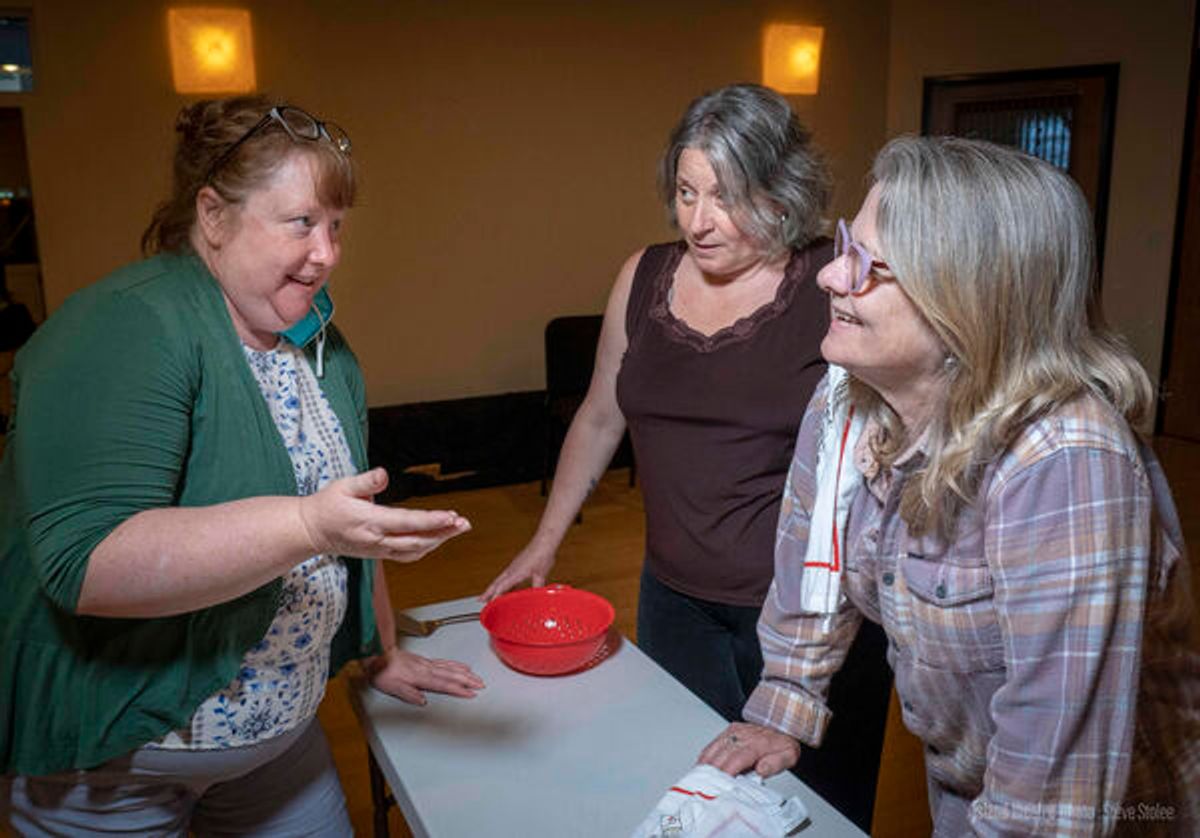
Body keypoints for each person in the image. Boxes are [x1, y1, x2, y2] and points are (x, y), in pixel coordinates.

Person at [0, 96, 485, 836]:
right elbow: (87, 563)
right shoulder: (126, 325)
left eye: (336, 226)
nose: (327, 253)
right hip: (122, 764)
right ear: (213, 217)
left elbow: (351, 523)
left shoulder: (320, 347)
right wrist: (307, 526)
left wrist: (380, 651)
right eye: (301, 223)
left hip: (278, 745)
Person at [699, 135, 1200, 835]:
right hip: (967, 787)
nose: (830, 276)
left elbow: (1051, 801)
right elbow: (814, 577)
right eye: (846, 245)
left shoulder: (1065, 461)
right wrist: (785, 702)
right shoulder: (847, 397)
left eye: (870, 265)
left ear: (971, 301)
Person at [483, 83, 893, 830]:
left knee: (815, 814)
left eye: (726, 198)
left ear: (781, 192)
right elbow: (600, 414)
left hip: (807, 617)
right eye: (686, 192)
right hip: (674, 603)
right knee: (690, 799)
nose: (698, 222)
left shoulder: (831, 284)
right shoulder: (642, 276)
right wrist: (544, 541)